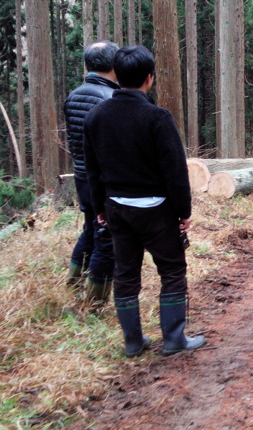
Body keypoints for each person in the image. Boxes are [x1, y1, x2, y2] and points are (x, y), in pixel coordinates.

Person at [83, 45, 205, 357]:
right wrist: (184, 212)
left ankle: (133, 342)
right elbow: (175, 171)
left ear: (117, 76)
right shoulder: (157, 118)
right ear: (149, 78)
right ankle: (174, 339)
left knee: (125, 273)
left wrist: (99, 209)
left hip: (117, 211)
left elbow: (92, 170)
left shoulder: (95, 116)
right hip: (157, 212)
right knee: (172, 270)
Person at [63, 41, 120, 308]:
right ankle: (95, 301)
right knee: (106, 237)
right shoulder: (108, 99)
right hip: (104, 179)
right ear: (113, 65)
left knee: (90, 228)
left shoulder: (74, 95)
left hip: (82, 175)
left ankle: (73, 282)